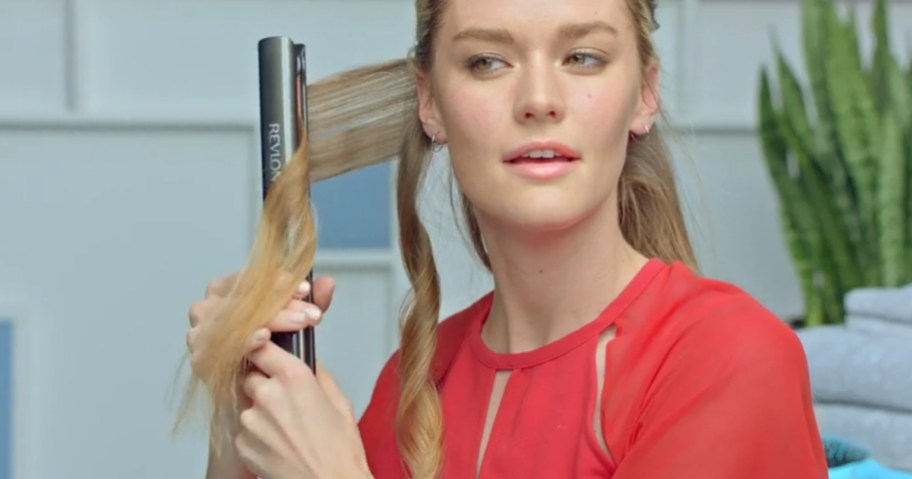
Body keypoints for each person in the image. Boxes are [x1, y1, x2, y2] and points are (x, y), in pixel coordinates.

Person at [184, 0, 830, 477]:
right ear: (430, 101)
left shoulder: (730, 359)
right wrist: (237, 414)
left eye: (582, 57)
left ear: (645, 93)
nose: (539, 99)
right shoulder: (414, 386)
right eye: (487, 61)